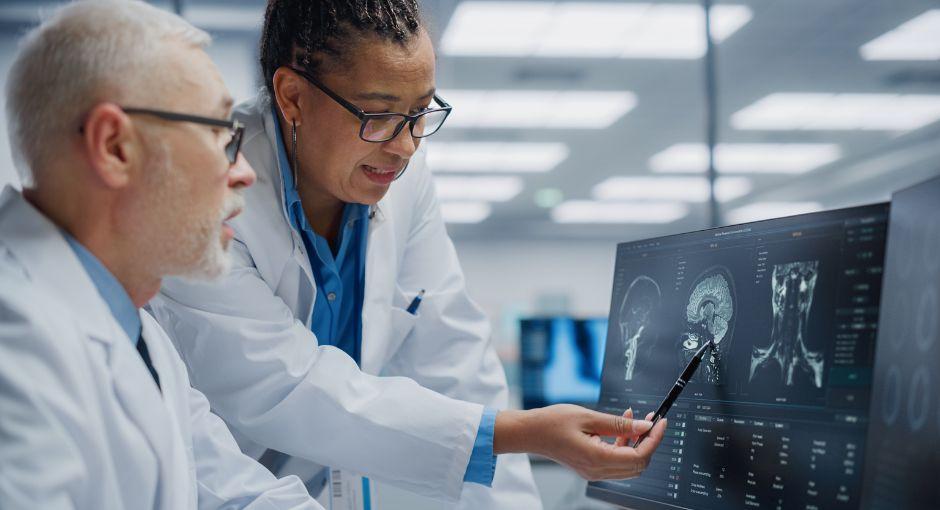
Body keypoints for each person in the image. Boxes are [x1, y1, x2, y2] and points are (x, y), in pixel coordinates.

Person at [148, 0, 667, 506]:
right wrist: (517, 432)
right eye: (377, 115)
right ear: (293, 97)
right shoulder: (214, 186)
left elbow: (458, 364)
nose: (406, 146)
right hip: (218, 486)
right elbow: (286, 386)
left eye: (421, 113)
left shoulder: (402, 179)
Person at [0, 1, 323, 508]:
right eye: (220, 134)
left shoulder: (138, 330)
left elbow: (233, 492)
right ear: (115, 148)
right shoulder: (15, 347)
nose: (244, 173)